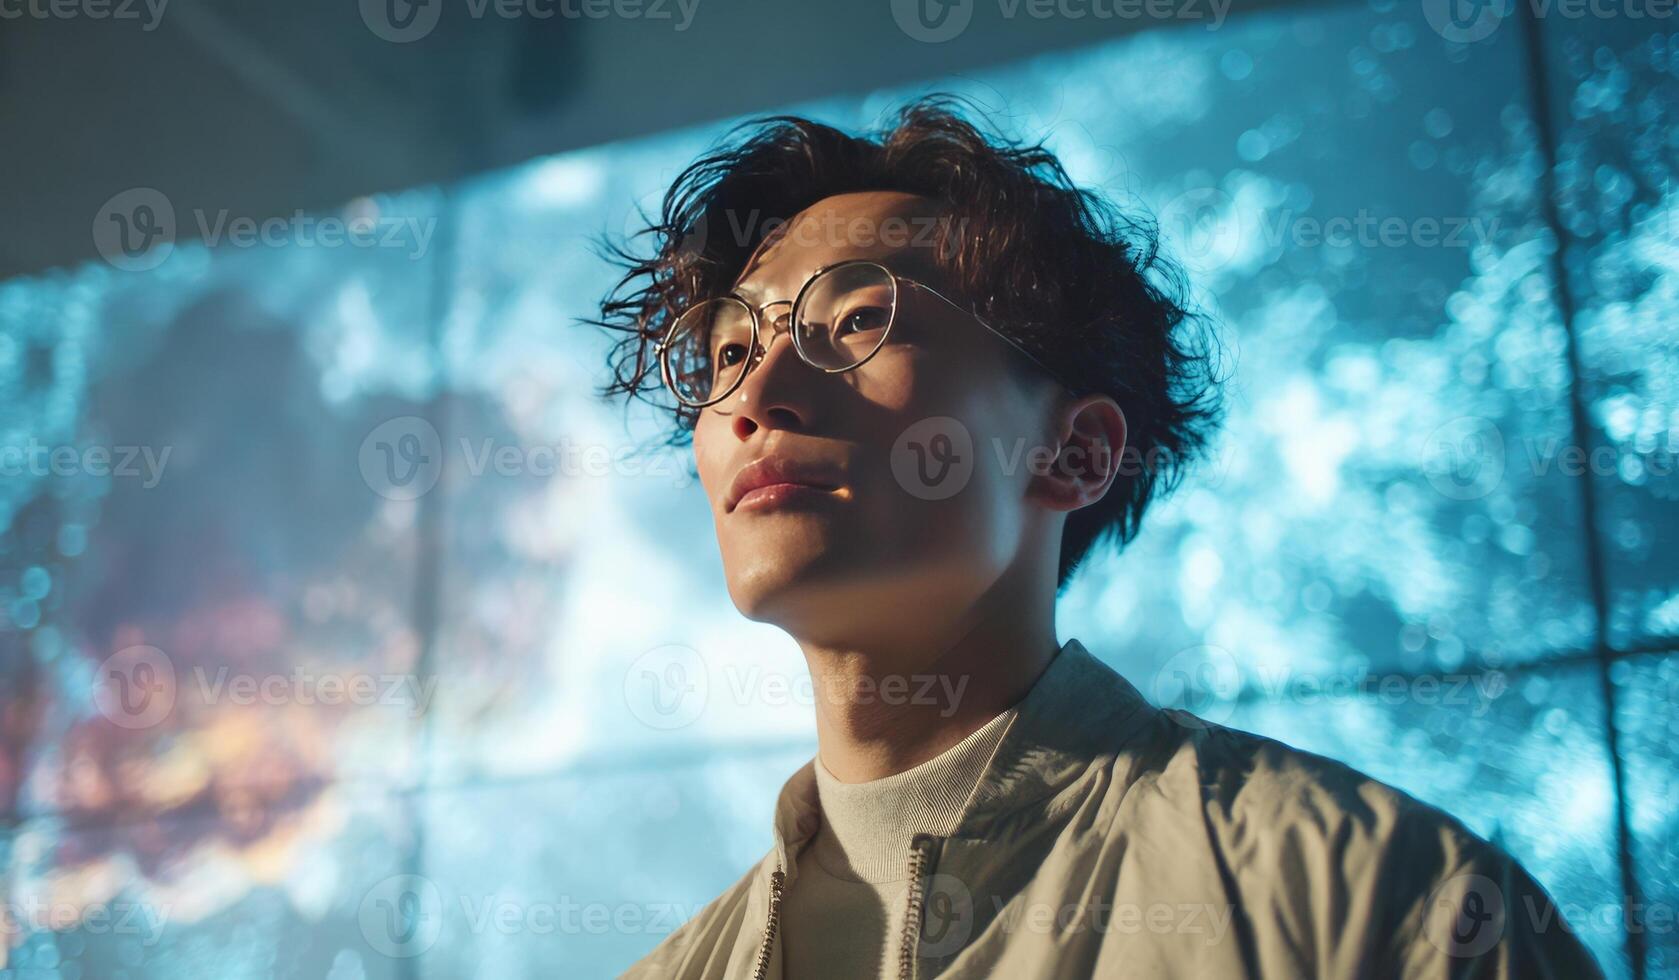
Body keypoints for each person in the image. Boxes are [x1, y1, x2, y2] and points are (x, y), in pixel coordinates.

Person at [590, 95, 1603, 979]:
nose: (753, 398)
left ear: (1073, 453)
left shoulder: (1381, 909)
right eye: (728, 347)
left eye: (855, 321)